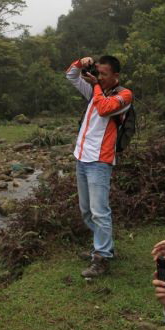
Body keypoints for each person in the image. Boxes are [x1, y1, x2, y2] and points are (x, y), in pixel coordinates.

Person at [66, 55, 133, 279]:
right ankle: (102, 247)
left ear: (116, 75)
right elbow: (71, 76)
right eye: (98, 72)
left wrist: (95, 85)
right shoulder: (94, 91)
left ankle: (102, 257)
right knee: (86, 210)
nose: (100, 77)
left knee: (99, 211)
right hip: (82, 157)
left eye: (105, 74)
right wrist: (81, 63)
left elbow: (104, 109)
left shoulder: (124, 95)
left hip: (100, 161)